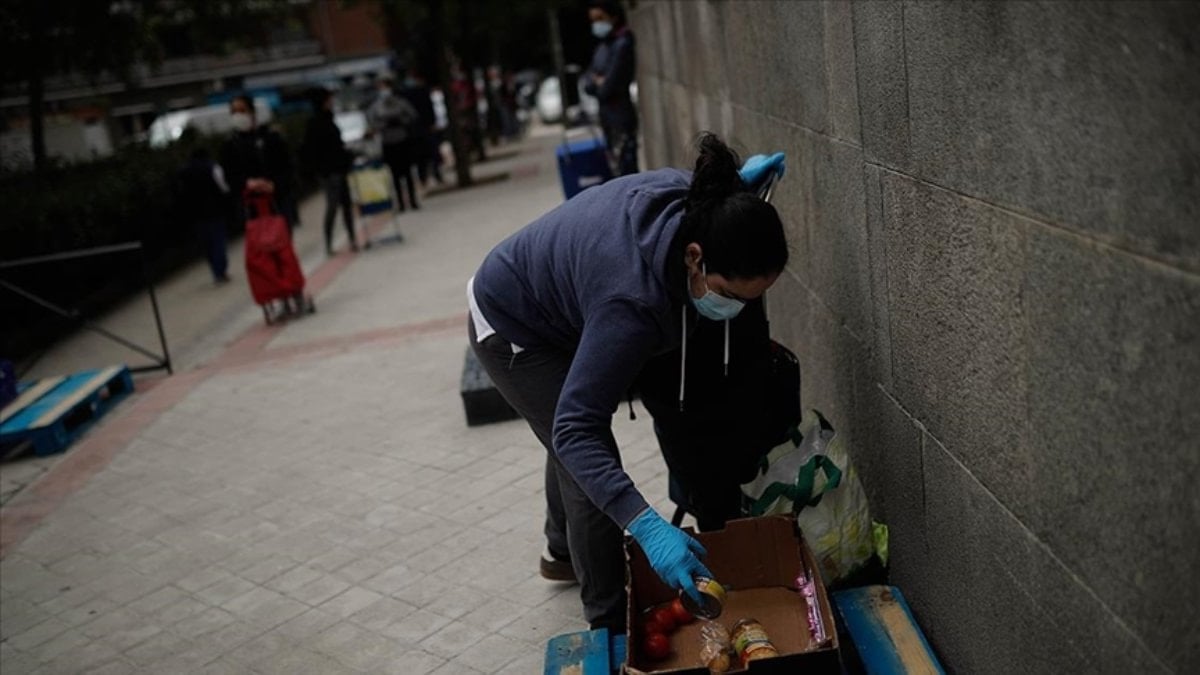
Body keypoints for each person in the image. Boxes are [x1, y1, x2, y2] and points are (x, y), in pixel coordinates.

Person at [467, 133, 789, 631]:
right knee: (586, 460)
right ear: (694, 257)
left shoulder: (701, 202)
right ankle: (609, 621)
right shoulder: (631, 306)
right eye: (727, 293)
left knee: (566, 421)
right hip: (513, 325)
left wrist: (740, 196)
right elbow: (577, 431)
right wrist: (645, 525)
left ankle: (560, 550)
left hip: (567, 299)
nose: (733, 310)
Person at [219, 94, 297, 229]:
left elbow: (288, 168)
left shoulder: (271, 138)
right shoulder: (230, 145)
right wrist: (248, 183)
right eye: (234, 112)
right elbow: (229, 177)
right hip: (251, 208)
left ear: (252, 112)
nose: (238, 116)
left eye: (242, 111)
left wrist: (274, 185)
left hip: (278, 203)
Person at [584, 0, 638, 176]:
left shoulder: (622, 42)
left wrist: (600, 82)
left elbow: (609, 85)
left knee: (626, 171)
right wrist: (597, 82)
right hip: (607, 117)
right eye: (593, 20)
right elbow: (588, 83)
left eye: (600, 18)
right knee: (616, 171)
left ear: (613, 17)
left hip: (620, 116)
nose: (596, 24)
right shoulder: (602, 47)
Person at [301, 88, 358, 255]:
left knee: (346, 205)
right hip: (329, 172)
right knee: (333, 206)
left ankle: (352, 239)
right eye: (328, 99)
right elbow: (315, 151)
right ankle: (329, 243)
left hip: (338, 169)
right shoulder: (316, 123)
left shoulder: (328, 119)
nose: (331, 102)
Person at [174, 142, 232, 284]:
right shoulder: (212, 167)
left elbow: (179, 193)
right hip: (214, 210)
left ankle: (215, 270)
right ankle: (221, 271)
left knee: (208, 245)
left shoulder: (183, 171)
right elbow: (223, 188)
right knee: (219, 241)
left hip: (196, 214)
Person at [367, 76, 421, 212]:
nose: (383, 90)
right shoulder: (375, 106)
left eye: (385, 87)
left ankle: (413, 200)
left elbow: (412, 116)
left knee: (408, 173)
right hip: (388, 143)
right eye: (380, 87)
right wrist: (383, 125)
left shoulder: (400, 102)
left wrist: (401, 121)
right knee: (395, 175)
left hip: (402, 140)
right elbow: (372, 122)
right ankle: (401, 203)